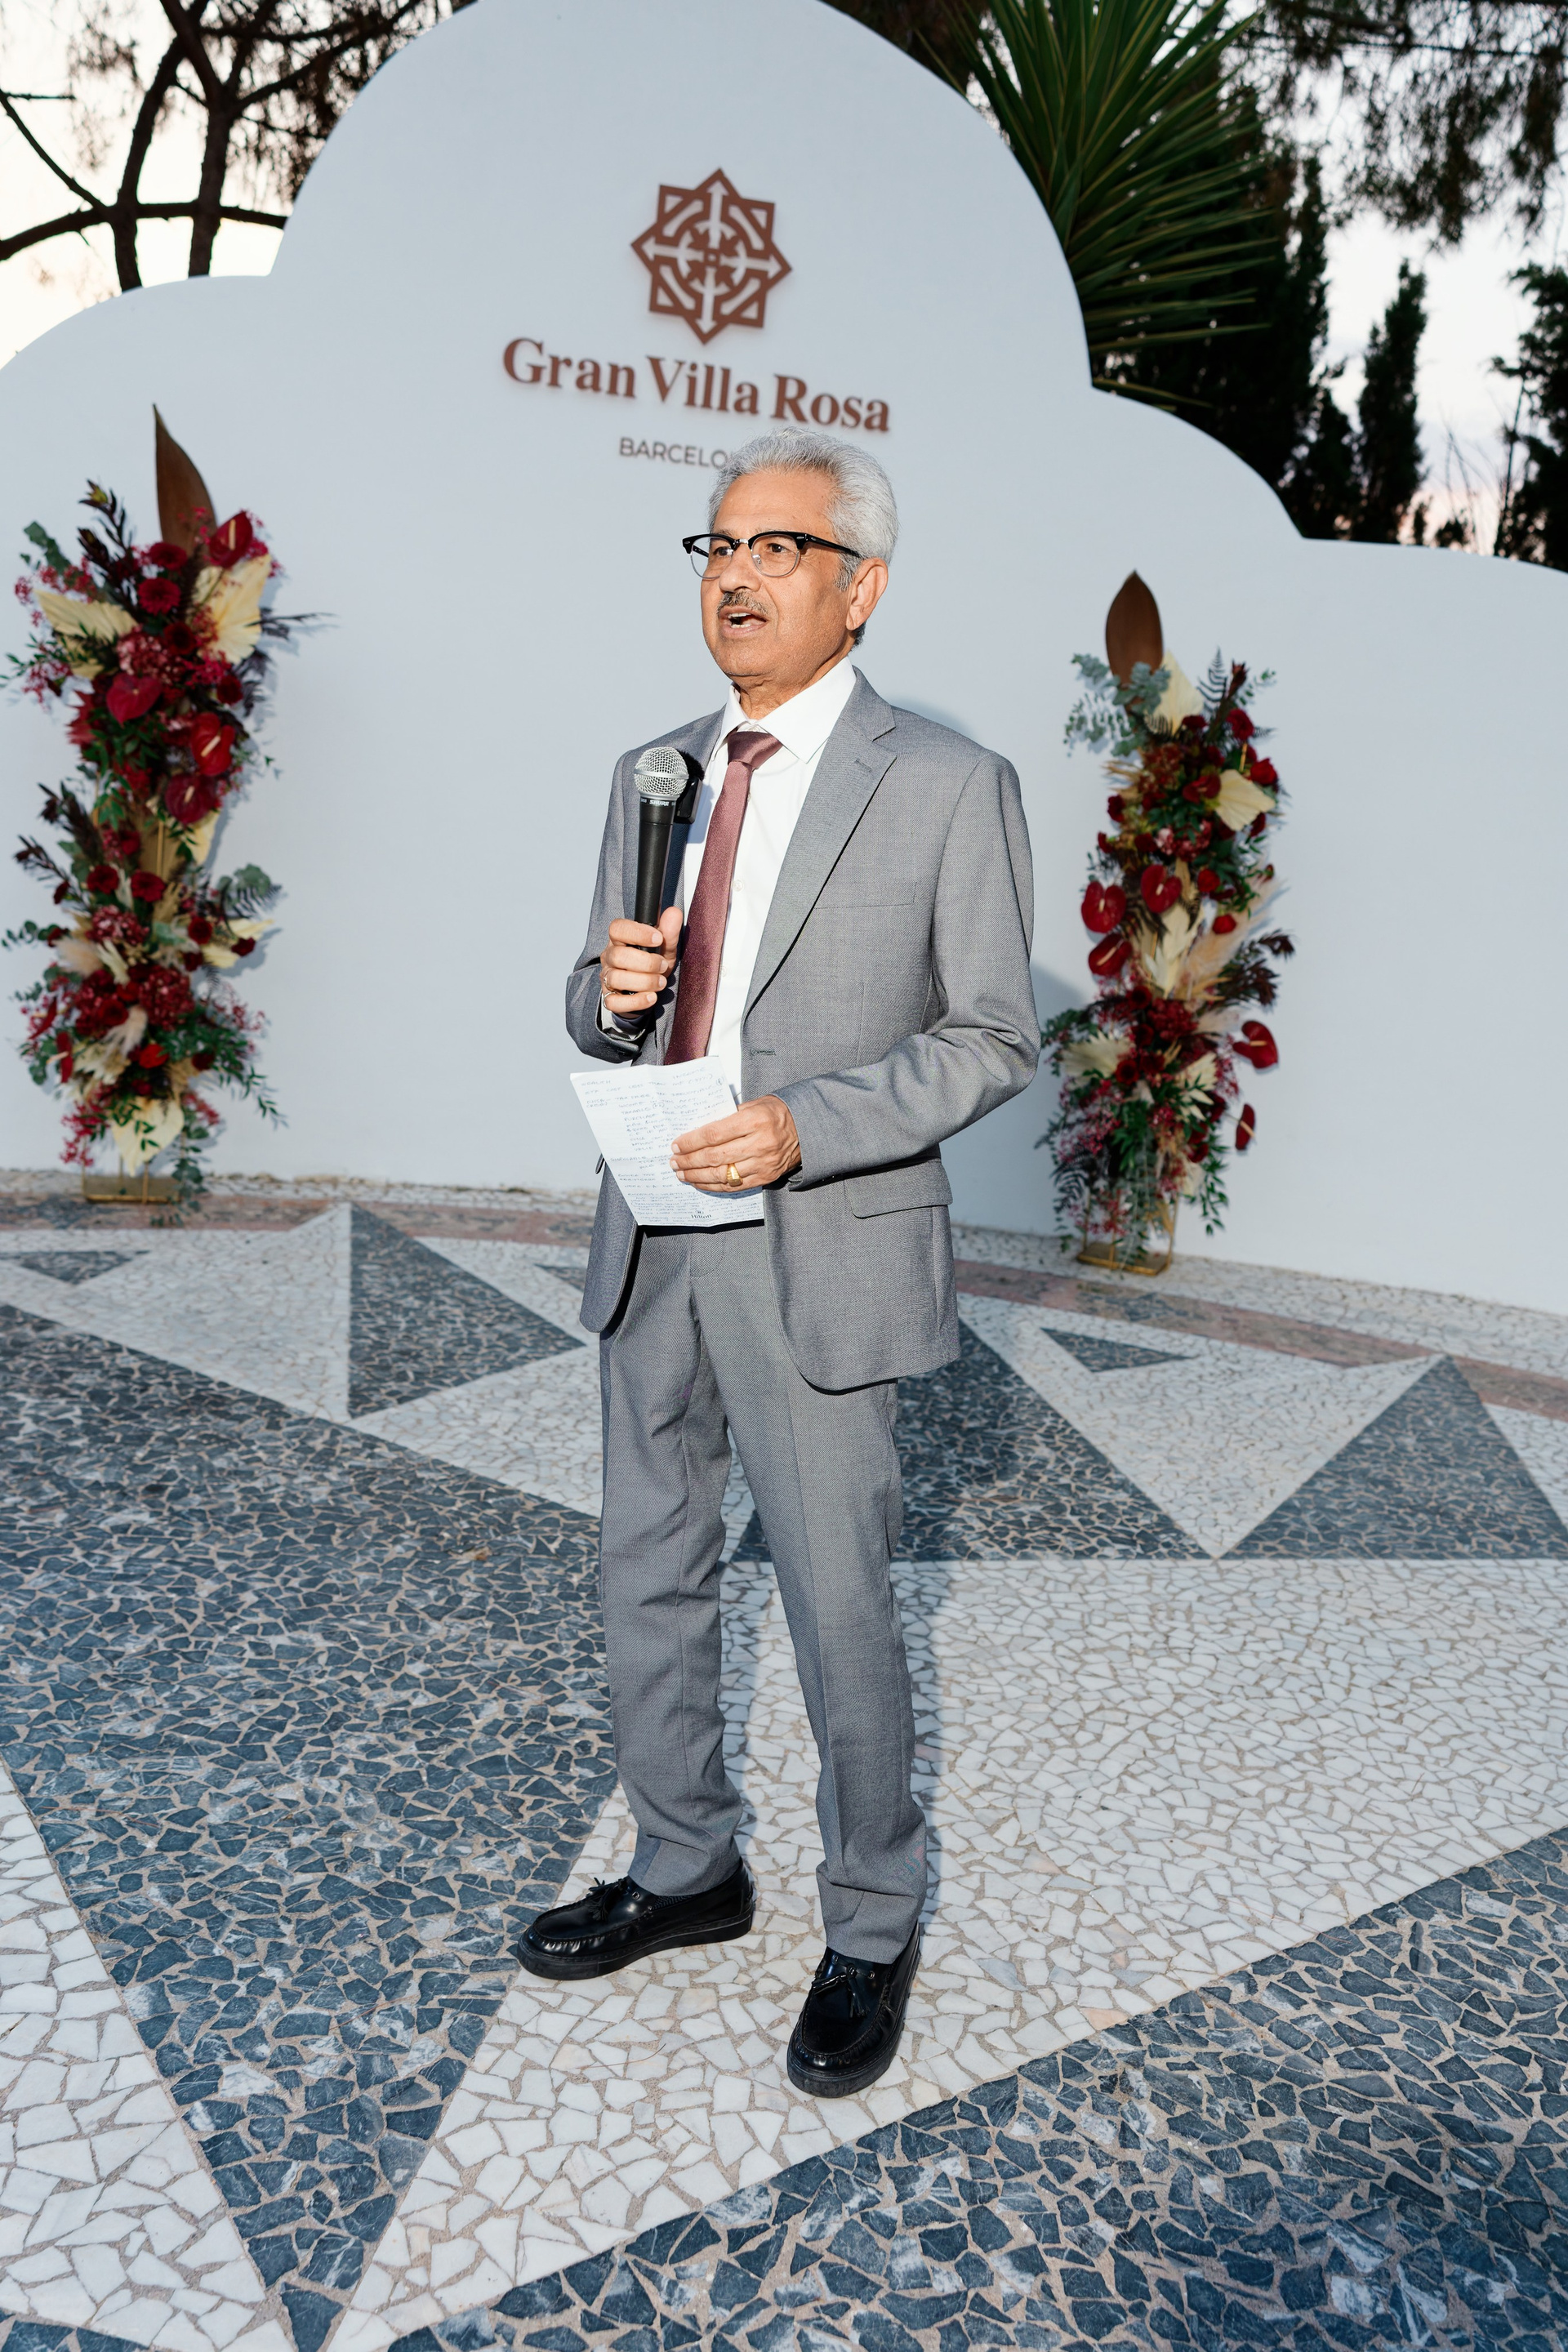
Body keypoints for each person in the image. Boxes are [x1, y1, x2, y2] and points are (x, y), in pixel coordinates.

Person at [519, 428, 1037, 2098]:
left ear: (860, 586)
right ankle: (688, 1866)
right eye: (717, 545)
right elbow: (597, 1001)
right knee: (647, 1564)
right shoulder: (652, 771)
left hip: (816, 1241)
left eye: (777, 548)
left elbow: (993, 1038)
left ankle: (872, 1922)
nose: (734, 576)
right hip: (651, 1226)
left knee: (834, 1596)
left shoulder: (946, 783)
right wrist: (610, 995)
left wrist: (808, 1124)